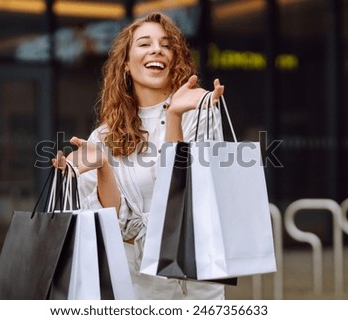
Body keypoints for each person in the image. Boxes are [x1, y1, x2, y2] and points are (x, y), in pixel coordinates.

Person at [53, 12, 226, 299]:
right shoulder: (104, 136)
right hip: (135, 282)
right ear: (125, 65)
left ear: (175, 60)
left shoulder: (200, 111)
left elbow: (182, 194)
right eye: (144, 44)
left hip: (193, 279)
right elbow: (111, 224)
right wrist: (103, 167)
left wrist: (174, 117)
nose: (157, 49)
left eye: (166, 44)